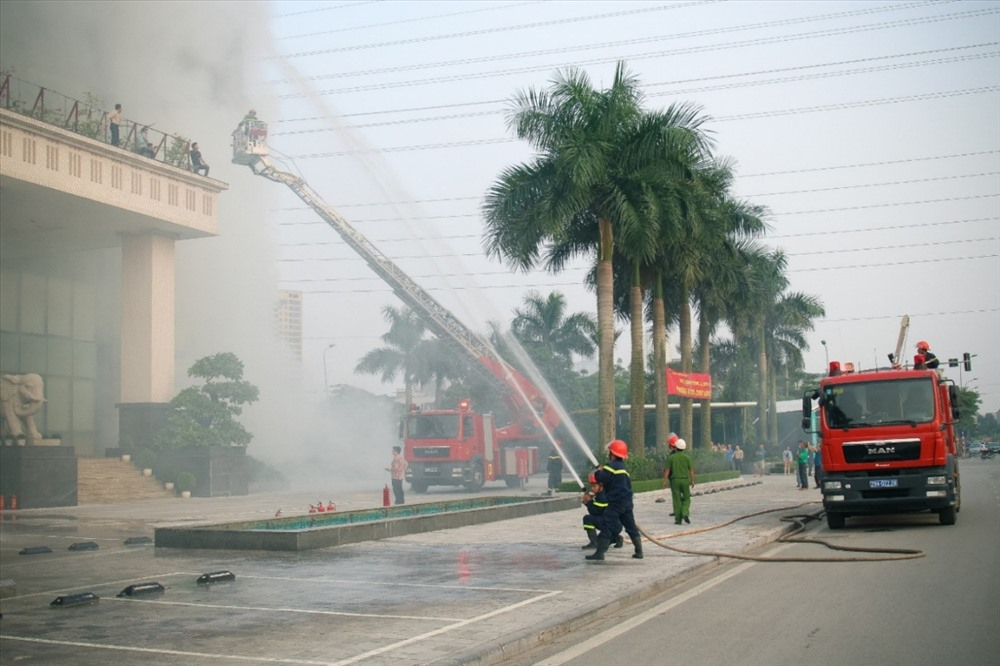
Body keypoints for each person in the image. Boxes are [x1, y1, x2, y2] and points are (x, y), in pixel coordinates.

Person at [589, 439, 642, 561]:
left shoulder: (611, 467)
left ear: (612, 454)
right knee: (630, 526)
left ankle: (600, 553)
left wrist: (599, 471)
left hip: (615, 504)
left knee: (607, 524)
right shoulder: (623, 468)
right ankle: (639, 552)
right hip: (627, 503)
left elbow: (601, 478)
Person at [580, 473, 621, 549]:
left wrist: (589, 502)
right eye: (591, 486)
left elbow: (595, 512)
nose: (592, 488)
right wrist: (589, 503)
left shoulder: (602, 497)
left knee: (587, 519)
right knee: (601, 540)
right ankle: (616, 538)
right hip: (615, 525)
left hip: (610, 524)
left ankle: (594, 543)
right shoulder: (604, 493)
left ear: (601, 485)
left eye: (594, 486)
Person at [664, 437, 695, 525]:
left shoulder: (671, 457)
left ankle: (678, 520)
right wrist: (692, 481)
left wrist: (665, 480)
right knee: (687, 498)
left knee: (676, 499)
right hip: (685, 480)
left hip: (675, 481)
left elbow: (667, 470)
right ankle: (685, 512)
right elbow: (691, 470)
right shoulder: (687, 457)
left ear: (675, 447)